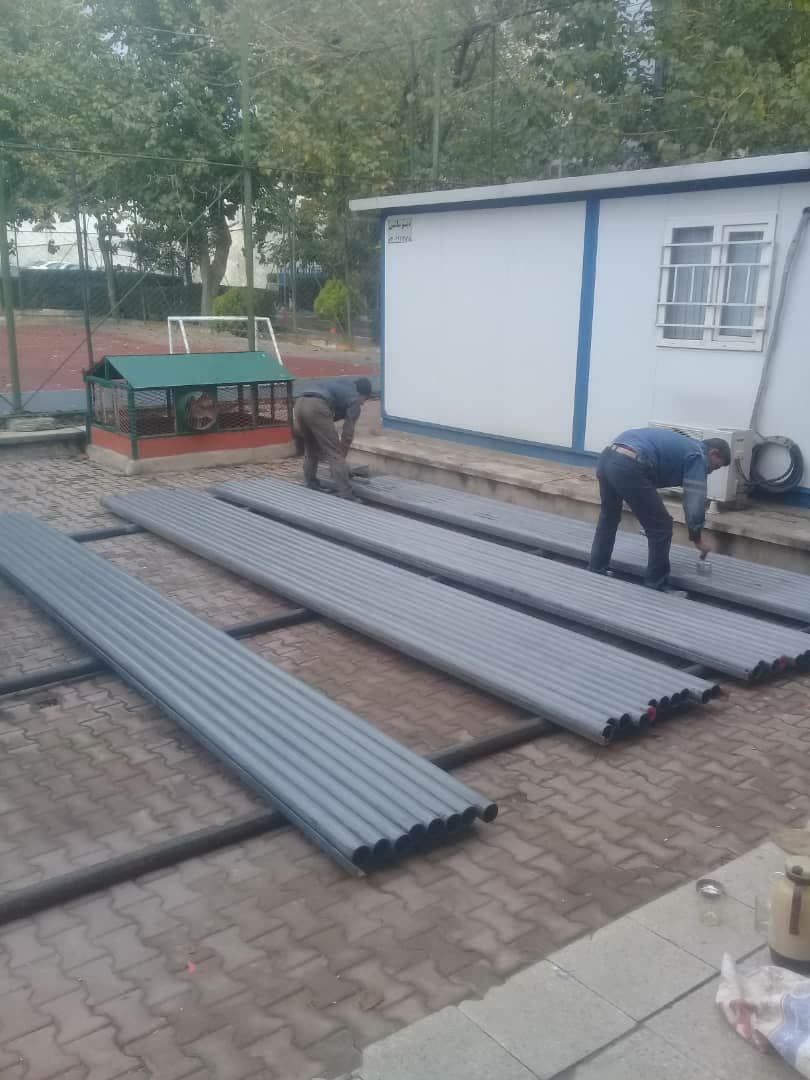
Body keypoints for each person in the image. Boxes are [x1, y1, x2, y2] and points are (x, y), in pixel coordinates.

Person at [588, 427, 731, 590]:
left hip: (607, 457)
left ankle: (596, 568)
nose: (711, 471)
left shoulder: (685, 446)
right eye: (715, 467)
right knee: (661, 527)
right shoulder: (698, 455)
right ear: (714, 453)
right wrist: (696, 537)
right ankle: (656, 584)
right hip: (629, 463)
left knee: (609, 517)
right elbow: (694, 500)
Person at [293, 377, 373, 497]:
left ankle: (311, 483)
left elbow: (330, 417)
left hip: (299, 403)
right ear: (362, 394)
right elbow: (347, 435)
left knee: (311, 448)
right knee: (334, 453)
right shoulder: (355, 399)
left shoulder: (343, 385)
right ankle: (346, 493)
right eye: (365, 400)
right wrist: (341, 463)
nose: (362, 403)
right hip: (317, 406)